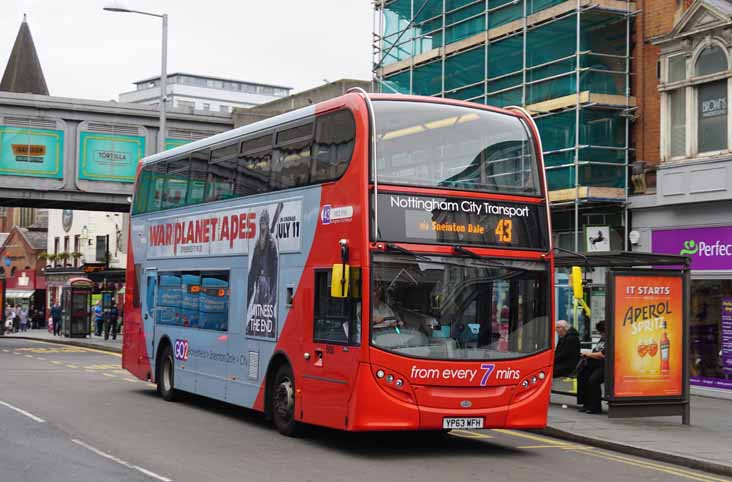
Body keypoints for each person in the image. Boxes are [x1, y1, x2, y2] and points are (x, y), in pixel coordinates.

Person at [576, 320, 606, 414]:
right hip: (595, 365)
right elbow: (596, 351)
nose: (601, 335)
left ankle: (595, 407)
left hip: (605, 366)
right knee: (582, 376)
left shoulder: (612, 339)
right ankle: (586, 404)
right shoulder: (602, 339)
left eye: (602, 332)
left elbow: (602, 355)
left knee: (593, 380)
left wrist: (588, 354)